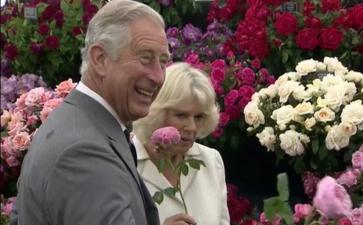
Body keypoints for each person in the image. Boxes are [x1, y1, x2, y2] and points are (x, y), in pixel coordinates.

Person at [9, 1, 195, 225]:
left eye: (163, 62)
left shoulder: (75, 124)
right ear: (100, 59)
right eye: (145, 57)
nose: (158, 76)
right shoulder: (83, 152)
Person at [132, 62, 230, 225]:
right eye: (181, 115)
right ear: (156, 113)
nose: (191, 127)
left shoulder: (211, 160)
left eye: (199, 117)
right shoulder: (125, 162)